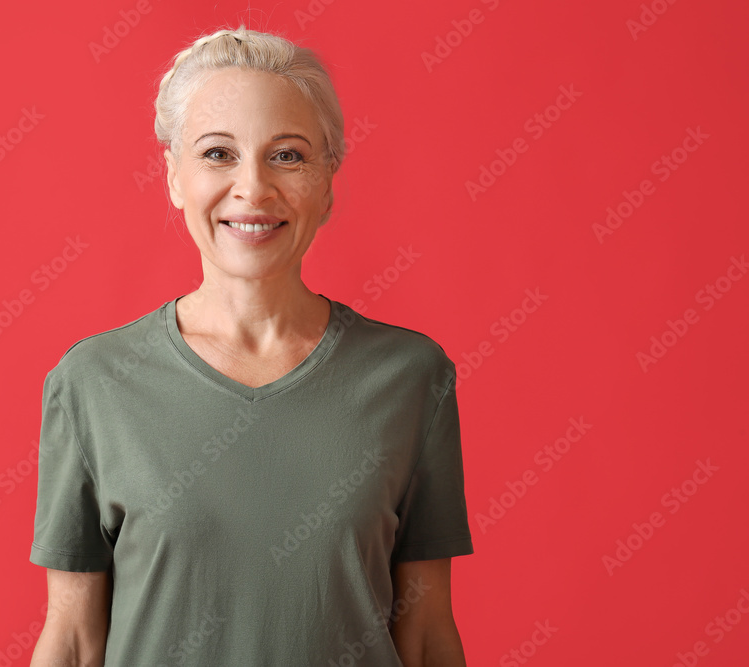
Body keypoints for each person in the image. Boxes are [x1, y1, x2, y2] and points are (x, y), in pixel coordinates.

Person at [29, 24, 474, 666]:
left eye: (288, 155)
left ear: (327, 183)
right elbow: (71, 640)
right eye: (217, 154)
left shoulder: (411, 377)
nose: (253, 189)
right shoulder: (93, 383)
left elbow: (428, 630)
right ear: (174, 176)